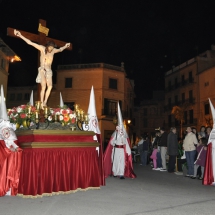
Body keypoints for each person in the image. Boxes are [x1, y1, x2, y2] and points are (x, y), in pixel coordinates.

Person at [14, 29, 70, 108]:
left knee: (50, 86)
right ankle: (41, 103)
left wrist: (65, 45)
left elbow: (60, 50)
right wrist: (20, 35)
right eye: (50, 47)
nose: (51, 49)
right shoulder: (42, 48)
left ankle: (45, 102)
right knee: (43, 87)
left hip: (49, 71)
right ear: (47, 46)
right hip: (42, 70)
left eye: (52, 47)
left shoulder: (53, 51)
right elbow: (30, 43)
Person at [103, 102, 136, 179]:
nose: (120, 130)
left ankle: (121, 174)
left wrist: (128, 151)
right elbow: (111, 142)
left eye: (121, 129)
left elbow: (126, 143)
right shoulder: (115, 134)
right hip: (116, 149)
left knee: (122, 162)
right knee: (115, 161)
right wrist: (114, 142)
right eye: (119, 128)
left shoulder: (124, 135)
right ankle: (115, 172)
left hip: (121, 150)